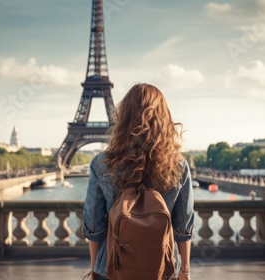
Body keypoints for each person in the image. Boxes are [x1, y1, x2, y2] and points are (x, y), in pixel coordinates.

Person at [82, 83, 195, 280]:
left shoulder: (101, 163)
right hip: (163, 266)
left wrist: (95, 268)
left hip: (112, 267)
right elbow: (183, 226)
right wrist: (184, 269)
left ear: (123, 117)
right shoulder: (178, 165)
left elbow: (94, 226)